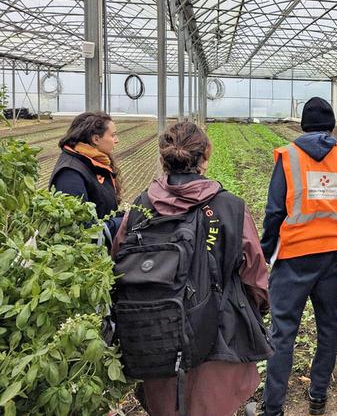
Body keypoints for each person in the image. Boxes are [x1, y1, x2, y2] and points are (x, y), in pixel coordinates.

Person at [112, 121, 270, 416]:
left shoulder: (141, 206)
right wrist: (255, 309)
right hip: (218, 337)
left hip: (155, 334)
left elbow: (118, 261)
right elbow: (254, 274)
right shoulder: (230, 207)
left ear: (163, 159)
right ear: (205, 158)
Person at [253, 97, 337, 416]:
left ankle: (273, 408)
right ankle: (318, 398)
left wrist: (265, 254)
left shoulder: (289, 157)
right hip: (333, 258)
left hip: (294, 257)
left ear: (302, 125)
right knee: (328, 328)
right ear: (332, 126)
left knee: (283, 333)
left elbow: (274, 212)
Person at [50, 111, 123, 247]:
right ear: (95, 139)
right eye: (113, 135)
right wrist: (121, 223)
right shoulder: (70, 174)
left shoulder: (93, 161)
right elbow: (80, 229)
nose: (117, 140)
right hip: (90, 257)